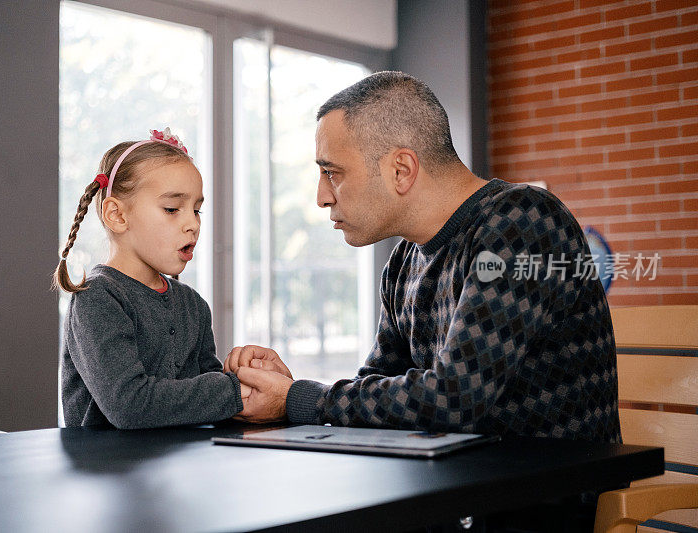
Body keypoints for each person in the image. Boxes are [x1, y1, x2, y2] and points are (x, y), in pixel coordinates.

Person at [226, 71, 621, 444]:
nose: (322, 197)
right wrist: (288, 393)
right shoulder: (402, 263)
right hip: (454, 495)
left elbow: (455, 398)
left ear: (401, 170)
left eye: (332, 172)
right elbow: (378, 394)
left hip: (540, 503)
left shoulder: (523, 220)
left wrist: (303, 399)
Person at [55, 128, 249, 429]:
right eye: (172, 209)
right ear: (117, 216)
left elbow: (210, 402)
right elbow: (130, 405)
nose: (192, 224)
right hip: (108, 471)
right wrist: (237, 390)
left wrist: (246, 376)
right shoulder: (98, 299)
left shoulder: (193, 305)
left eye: (196, 210)